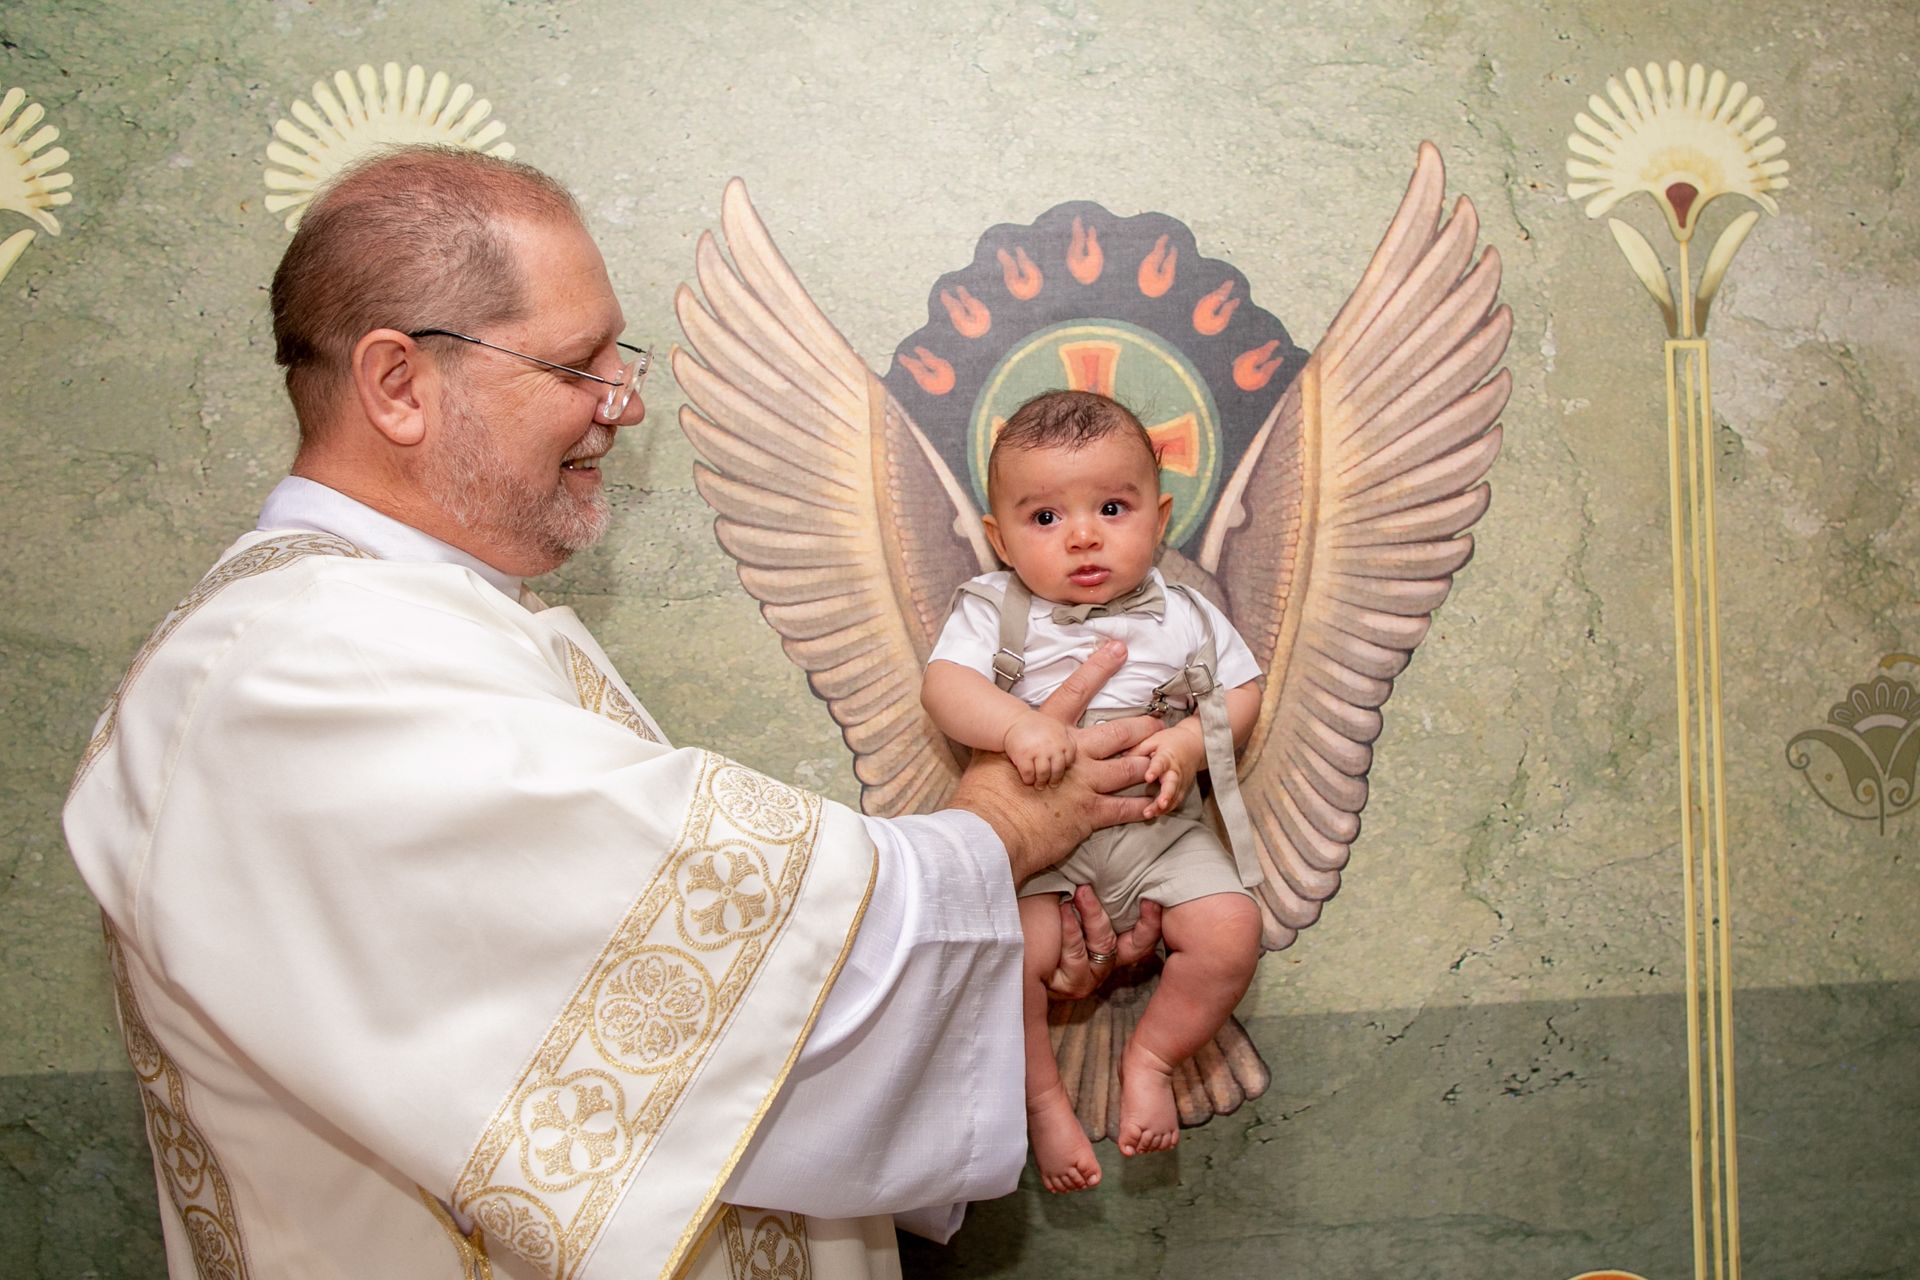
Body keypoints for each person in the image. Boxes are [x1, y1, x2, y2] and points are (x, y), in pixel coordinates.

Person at [61, 148, 1165, 1280]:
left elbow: (641, 987)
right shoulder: (297, 670)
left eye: (616, 356)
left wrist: (987, 962)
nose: (625, 403)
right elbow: (696, 977)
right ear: (398, 384)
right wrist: (1003, 834)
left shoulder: (409, 622)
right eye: (577, 362)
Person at [920, 390, 1266, 1194]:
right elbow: (944, 688)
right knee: (1009, 962)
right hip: (1041, 854)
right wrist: (1015, 728)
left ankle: (1152, 1057)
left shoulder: (1186, 615)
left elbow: (1241, 692)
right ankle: (1043, 1100)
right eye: (1044, 519)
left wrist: (1187, 740)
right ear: (999, 539)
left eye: (1112, 506)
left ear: (1160, 515)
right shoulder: (993, 611)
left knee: (1230, 929)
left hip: (1158, 832)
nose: (1082, 535)